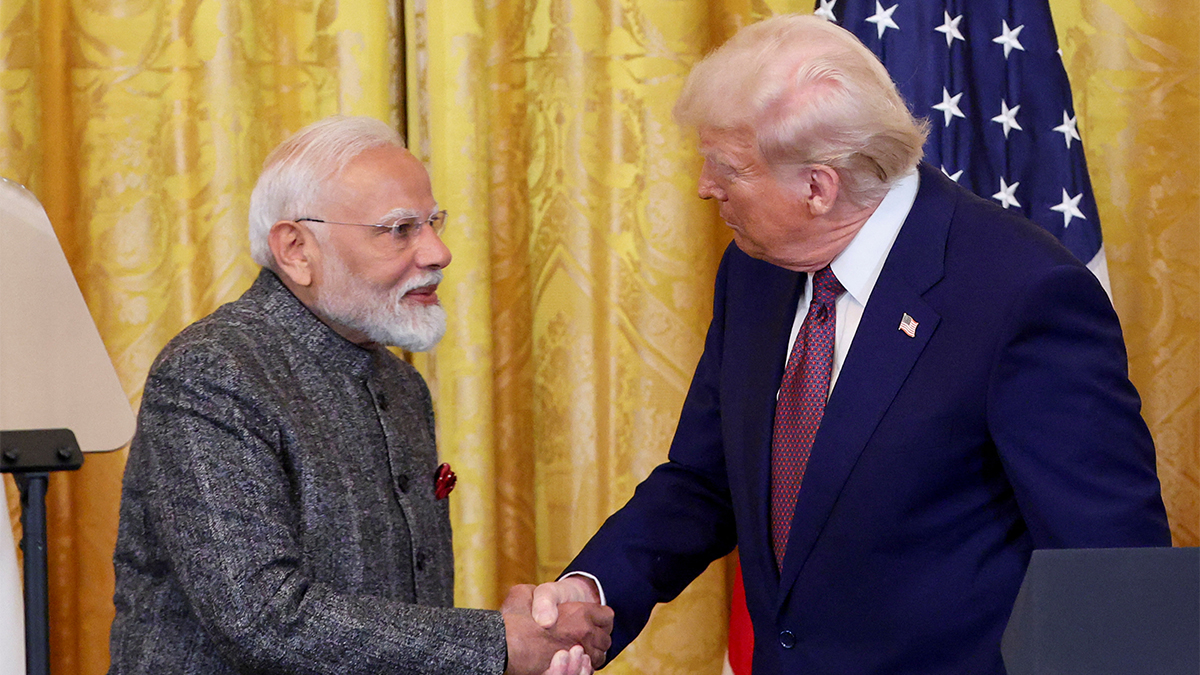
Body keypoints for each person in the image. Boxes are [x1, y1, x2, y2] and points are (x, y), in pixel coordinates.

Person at [528, 14, 1171, 674]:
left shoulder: (1021, 294)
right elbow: (705, 481)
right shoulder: (754, 272)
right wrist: (593, 591)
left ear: (817, 187)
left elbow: (1111, 574)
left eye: (727, 167)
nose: (704, 186)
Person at [107, 116, 610, 675]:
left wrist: (521, 633)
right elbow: (262, 618)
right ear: (296, 249)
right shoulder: (211, 372)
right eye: (399, 229)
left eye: (433, 223)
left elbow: (401, 626)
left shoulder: (402, 386)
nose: (438, 252)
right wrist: (497, 645)